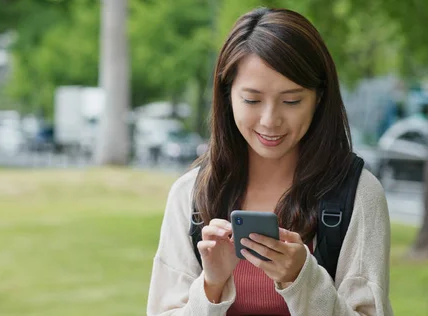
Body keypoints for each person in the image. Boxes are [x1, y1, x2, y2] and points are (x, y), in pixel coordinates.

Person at [147, 7, 393, 316]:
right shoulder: (191, 195)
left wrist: (302, 278)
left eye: (291, 101)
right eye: (252, 100)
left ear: (319, 97)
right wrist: (211, 285)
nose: (270, 120)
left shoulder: (357, 195)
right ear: (227, 96)